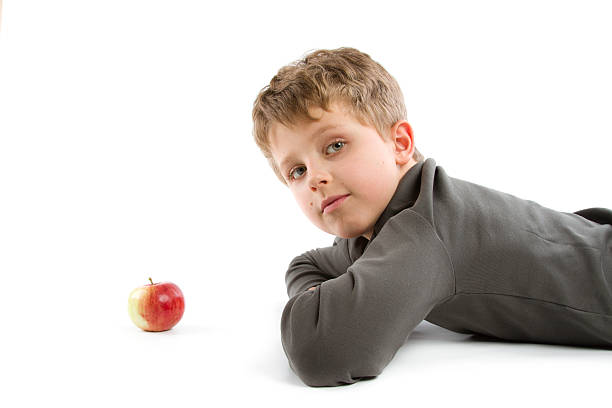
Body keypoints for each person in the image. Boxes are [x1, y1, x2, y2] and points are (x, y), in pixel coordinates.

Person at [251, 47, 612, 387]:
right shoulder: (374, 232)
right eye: (296, 171)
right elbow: (306, 264)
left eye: (335, 146)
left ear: (400, 144)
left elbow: (322, 349)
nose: (315, 178)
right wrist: (320, 297)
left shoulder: (422, 230)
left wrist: (321, 306)